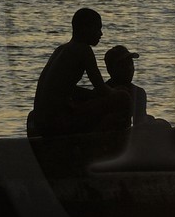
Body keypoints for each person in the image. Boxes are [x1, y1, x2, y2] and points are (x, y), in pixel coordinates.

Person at [27, 7, 118, 137]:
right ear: (85, 29)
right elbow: (101, 88)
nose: (101, 34)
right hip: (55, 122)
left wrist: (91, 95)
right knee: (122, 98)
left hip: (39, 120)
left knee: (93, 99)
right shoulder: (84, 50)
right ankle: (108, 141)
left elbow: (62, 88)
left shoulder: (61, 49)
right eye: (97, 29)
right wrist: (118, 92)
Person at [103, 45, 148, 127]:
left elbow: (139, 123)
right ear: (111, 69)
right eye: (123, 65)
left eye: (131, 64)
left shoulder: (138, 93)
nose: (129, 68)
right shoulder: (102, 92)